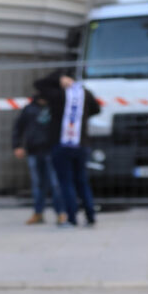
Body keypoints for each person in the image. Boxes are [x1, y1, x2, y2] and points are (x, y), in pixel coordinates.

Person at [34, 70, 101, 227]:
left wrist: (57, 80)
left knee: (66, 182)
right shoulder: (84, 93)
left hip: (61, 144)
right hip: (81, 143)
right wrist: (81, 117)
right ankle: (90, 215)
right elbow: (97, 109)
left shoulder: (57, 94)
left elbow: (38, 84)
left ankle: (71, 218)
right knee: (82, 181)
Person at [11, 94, 65, 225]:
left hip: (52, 150)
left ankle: (61, 213)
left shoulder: (55, 106)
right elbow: (18, 127)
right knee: (38, 184)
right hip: (34, 150)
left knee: (56, 184)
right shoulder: (30, 108)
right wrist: (17, 145)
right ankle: (38, 212)